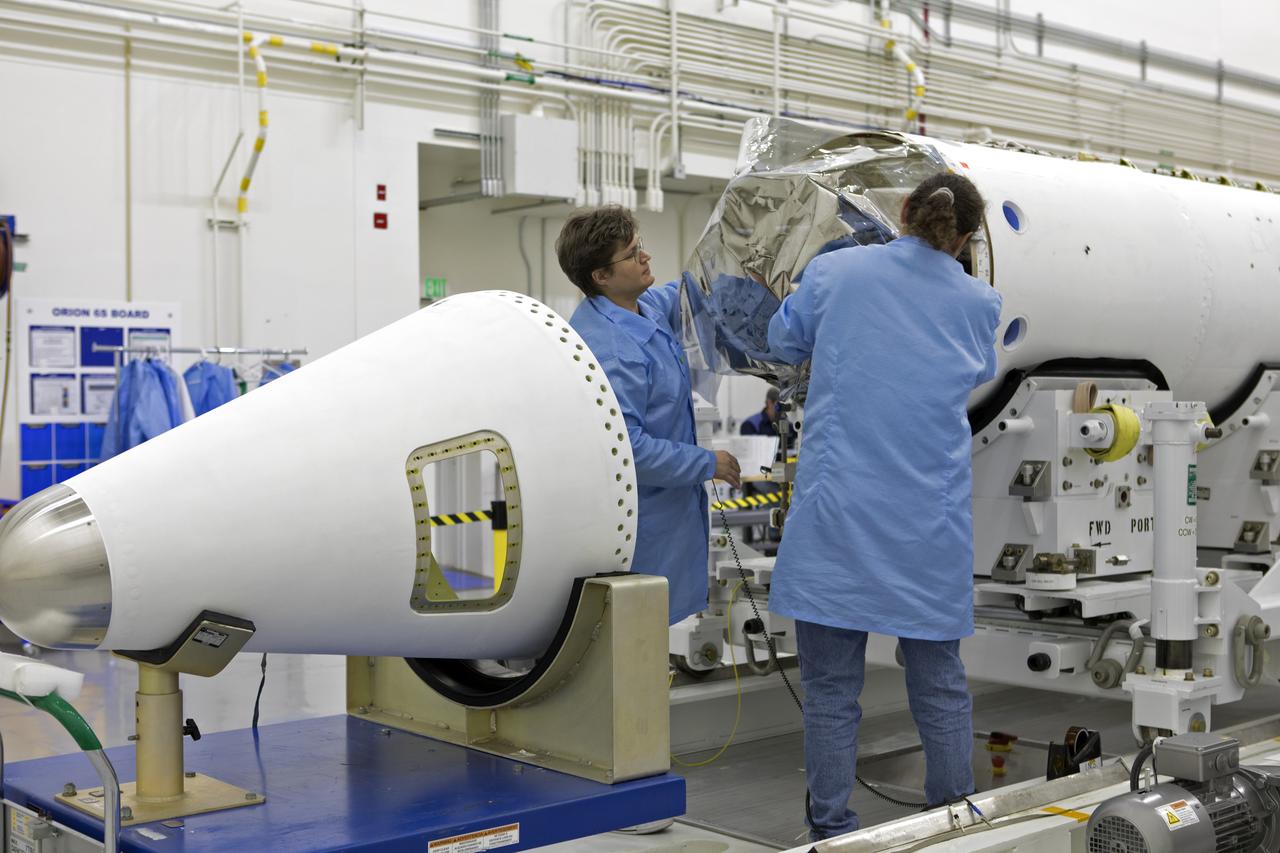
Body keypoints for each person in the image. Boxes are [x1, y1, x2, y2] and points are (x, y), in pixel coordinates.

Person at [765, 173, 1002, 840]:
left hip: (838, 517)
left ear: (901, 210)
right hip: (927, 524)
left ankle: (832, 828)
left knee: (832, 693)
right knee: (940, 684)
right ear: (965, 238)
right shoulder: (980, 302)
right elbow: (978, 372)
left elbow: (782, 341)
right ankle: (952, 821)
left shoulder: (837, 271)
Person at [556, 205, 741, 625]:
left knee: (648, 635)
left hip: (665, 516)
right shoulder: (614, 351)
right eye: (632, 253)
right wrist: (707, 463)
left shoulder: (638, 308)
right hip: (639, 527)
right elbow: (627, 449)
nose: (645, 256)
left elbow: (687, 293)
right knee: (634, 636)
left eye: (640, 245)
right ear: (601, 276)